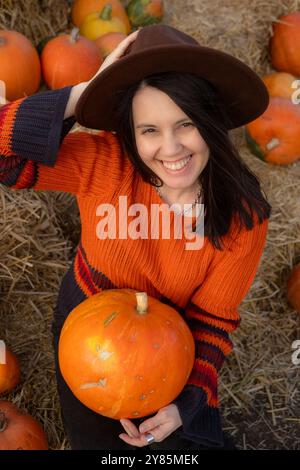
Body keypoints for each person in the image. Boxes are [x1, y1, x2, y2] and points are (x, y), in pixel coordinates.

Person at [0, 24, 271, 450]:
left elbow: (214, 319)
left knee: (187, 447)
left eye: (185, 124)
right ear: (129, 131)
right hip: (91, 326)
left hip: (171, 339)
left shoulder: (243, 216)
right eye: (149, 130)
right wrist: (82, 93)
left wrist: (185, 402)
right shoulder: (105, 163)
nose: (171, 149)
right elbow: (5, 157)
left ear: (210, 120)